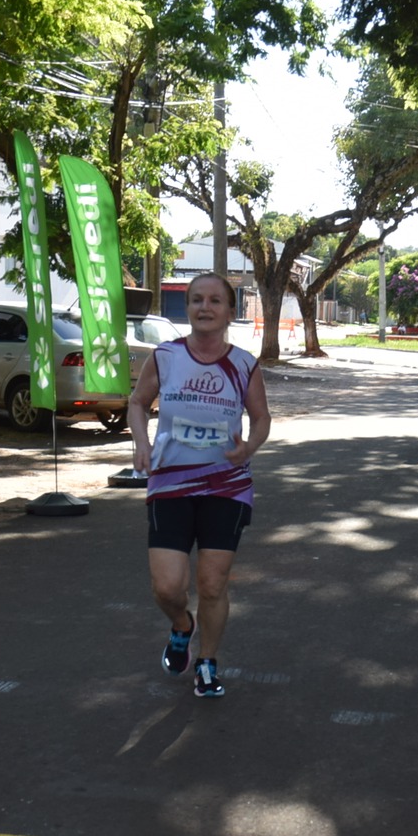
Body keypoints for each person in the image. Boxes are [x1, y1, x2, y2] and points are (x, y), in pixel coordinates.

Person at [127, 272, 270, 699]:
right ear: (187, 308)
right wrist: (142, 443)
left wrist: (248, 450)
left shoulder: (243, 363)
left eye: (214, 301)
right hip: (170, 483)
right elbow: (137, 402)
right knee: (168, 587)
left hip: (226, 485)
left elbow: (261, 418)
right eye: (195, 300)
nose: (204, 308)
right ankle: (181, 625)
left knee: (211, 583)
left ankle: (207, 662)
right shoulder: (166, 356)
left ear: (229, 311)